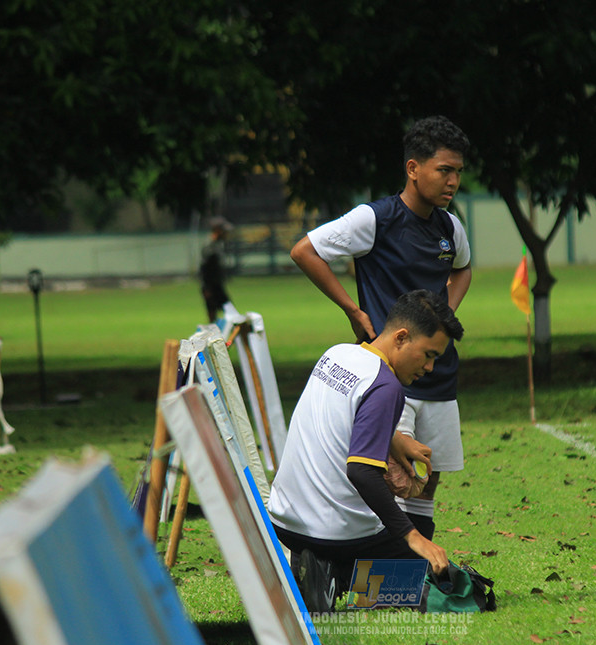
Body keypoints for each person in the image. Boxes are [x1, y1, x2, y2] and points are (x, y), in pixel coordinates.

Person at [289, 115, 471, 542]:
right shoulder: (376, 219)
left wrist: (444, 315)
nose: (453, 182)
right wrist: (353, 310)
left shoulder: (450, 227)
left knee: (429, 477)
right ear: (413, 168)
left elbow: (463, 271)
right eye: (444, 170)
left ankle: (419, 561)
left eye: (459, 172)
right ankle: (393, 562)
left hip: (439, 375)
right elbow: (305, 251)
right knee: (395, 477)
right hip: (390, 375)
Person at [267, 290, 464, 612]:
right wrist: (414, 537)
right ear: (402, 337)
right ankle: (342, 577)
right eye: (428, 354)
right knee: (448, 586)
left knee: (414, 562)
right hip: (338, 534)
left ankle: (324, 572)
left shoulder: (337, 354)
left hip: (287, 524)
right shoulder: (386, 386)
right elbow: (361, 472)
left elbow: (340, 418)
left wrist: (395, 439)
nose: (429, 368)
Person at [199, 217, 233, 322]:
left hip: (217, 285)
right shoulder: (210, 247)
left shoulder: (218, 245)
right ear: (218, 230)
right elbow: (205, 268)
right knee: (216, 314)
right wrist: (207, 287)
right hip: (211, 287)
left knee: (230, 312)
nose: (226, 234)